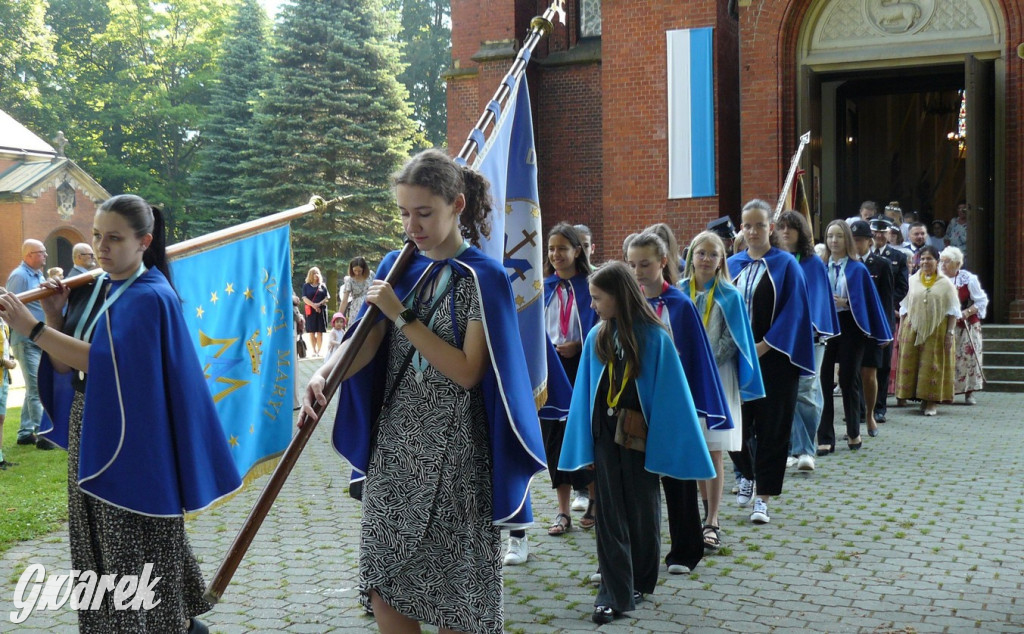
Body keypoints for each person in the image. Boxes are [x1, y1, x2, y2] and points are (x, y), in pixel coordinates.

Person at [301, 149, 545, 634]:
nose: (412, 225)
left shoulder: (483, 277)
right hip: (396, 450)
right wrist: (326, 372)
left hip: (457, 458)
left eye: (424, 213)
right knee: (385, 585)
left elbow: (467, 371)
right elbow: (365, 339)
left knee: (455, 596)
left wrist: (401, 314)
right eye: (404, 213)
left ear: (457, 205)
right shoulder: (396, 266)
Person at [0, 194, 242, 633]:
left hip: (135, 440)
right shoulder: (99, 289)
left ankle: (164, 624)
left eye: (114, 238)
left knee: (132, 535)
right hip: (91, 422)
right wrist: (55, 316)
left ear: (144, 241)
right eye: (96, 236)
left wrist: (31, 328)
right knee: (96, 535)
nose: (102, 246)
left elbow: (106, 363)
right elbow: (66, 366)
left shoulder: (151, 295)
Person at [558, 261, 714, 625]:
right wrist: (587, 444)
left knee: (642, 512)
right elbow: (587, 394)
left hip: (640, 440)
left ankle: (641, 580)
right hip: (605, 439)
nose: (593, 304)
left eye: (598, 298)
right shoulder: (598, 335)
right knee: (610, 515)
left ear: (619, 296)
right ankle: (612, 593)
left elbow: (672, 398)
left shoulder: (655, 338)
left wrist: (668, 445)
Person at [626, 231, 732, 568]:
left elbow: (696, 358)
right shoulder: (628, 303)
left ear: (663, 262)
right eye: (632, 264)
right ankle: (636, 554)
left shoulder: (681, 305)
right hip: (637, 402)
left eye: (645, 263)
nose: (638, 271)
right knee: (636, 483)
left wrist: (696, 404)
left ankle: (685, 550)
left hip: (675, 402)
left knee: (679, 477)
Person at [727, 199, 815, 524]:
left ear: (771, 228)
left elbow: (795, 312)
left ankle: (762, 497)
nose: (752, 231)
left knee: (772, 429)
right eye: (747, 225)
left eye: (759, 225)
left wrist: (764, 346)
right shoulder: (732, 264)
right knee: (735, 424)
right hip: (735, 359)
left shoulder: (786, 265)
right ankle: (746, 474)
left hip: (775, 360)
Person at [680, 231, 764, 553]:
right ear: (691, 257)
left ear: (721, 260)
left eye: (712, 254)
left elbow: (734, 338)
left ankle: (712, 519)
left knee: (714, 448)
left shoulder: (730, 295)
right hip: (687, 378)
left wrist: (706, 358)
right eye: (700, 253)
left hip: (717, 376)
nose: (705, 259)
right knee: (696, 447)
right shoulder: (678, 292)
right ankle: (701, 512)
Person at [817, 220, 891, 452]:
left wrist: (846, 302)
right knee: (823, 380)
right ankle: (825, 437)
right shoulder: (821, 266)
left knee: (849, 380)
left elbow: (868, 301)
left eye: (839, 236)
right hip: (827, 326)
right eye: (830, 236)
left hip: (851, 326)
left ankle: (853, 431)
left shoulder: (858, 268)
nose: (834, 241)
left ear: (846, 239)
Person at [542, 222, 597, 535]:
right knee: (554, 441)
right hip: (550, 372)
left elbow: (600, 322)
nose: (556, 254)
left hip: (581, 368)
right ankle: (563, 511)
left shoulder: (589, 284)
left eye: (562, 248)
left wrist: (579, 344)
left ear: (577, 250)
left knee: (584, 434)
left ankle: (594, 498)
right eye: (552, 249)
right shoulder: (544, 287)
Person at [773, 211, 838, 467]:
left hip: (810, 336)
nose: (786, 232)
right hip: (780, 337)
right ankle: (792, 448)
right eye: (782, 227)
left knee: (807, 389)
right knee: (786, 392)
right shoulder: (774, 260)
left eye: (792, 228)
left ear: (802, 233)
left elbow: (819, 300)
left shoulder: (812, 263)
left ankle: (807, 449)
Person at [894, 246, 959, 416]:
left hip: (936, 329)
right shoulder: (912, 280)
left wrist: (950, 333)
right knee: (911, 362)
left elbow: (953, 311)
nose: (925, 262)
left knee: (932, 365)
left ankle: (930, 402)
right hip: (912, 326)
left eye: (929, 258)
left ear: (937, 261)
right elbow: (904, 307)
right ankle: (909, 396)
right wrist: (901, 330)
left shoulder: (946, 284)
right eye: (922, 259)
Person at [5, 240, 49, 449]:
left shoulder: (38, 275)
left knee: (33, 387)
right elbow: (9, 308)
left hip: (38, 337)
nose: (45, 256)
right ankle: (43, 436)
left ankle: (24, 433)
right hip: (26, 340)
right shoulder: (19, 276)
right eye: (41, 253)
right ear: (29, 255)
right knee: (36, 388)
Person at [867, 218, 909, 423]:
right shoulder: (861, 256)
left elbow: (902, 287)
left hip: (884, 314)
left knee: (882, 365)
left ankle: (879, 408)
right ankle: (859, 409)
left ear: (889, 234)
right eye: (875, 232)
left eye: (883, 233)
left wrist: (884, 303)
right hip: (862, 316)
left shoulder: (898, 257)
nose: (878, 236)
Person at [940, 247, 987, 405]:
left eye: (947, 262)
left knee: (968, 358)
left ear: (957, 264)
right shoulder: (937, 279)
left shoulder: (968, 279)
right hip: (944, 324)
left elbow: (981, 301)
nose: (943, 265)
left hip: (967, 324)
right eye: (942, 261)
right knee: (945, 357)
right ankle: (945, 392)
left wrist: (966, 312)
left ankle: (969, 392)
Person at [0, 314, 17, 469]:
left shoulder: (3, 324)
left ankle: (0, 458)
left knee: (1, 418)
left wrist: (9, 359)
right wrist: (4, 362)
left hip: (3, 377)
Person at [301, 266, 330, 356]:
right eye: (314, 273)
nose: (316, 275)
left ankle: (319, 351)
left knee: (320, 331)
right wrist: (314, 305)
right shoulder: (306, 286)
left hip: (320, 311)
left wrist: (319, 304)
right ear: (310, 275)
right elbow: (304, 298)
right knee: (312, 331)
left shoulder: (322, 285)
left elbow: (327, 297)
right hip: (311, 311)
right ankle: (314, 351)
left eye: (317, 273)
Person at [338, 257, 373, 327]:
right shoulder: (349, 280)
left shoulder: (370, 276)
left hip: (370, 306)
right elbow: (344, 300)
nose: (357, 273)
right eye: (355, 270)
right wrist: (339, 316)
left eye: (359, 271)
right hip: (356, 308)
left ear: (364, 269)